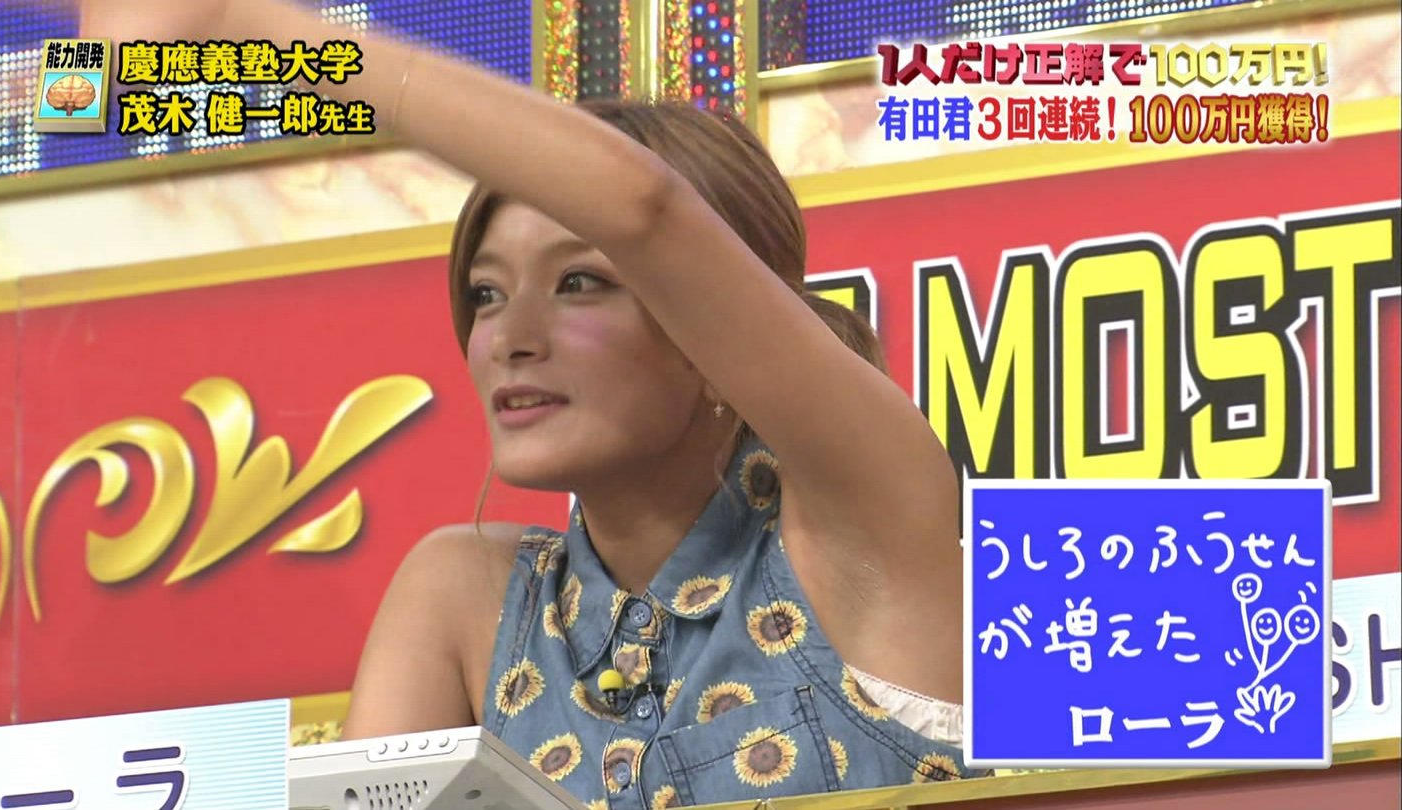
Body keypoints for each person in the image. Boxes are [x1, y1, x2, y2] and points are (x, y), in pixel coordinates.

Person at [76, 1, 985, 804]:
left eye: (580, 282)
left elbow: (646, 208)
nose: (510, 336)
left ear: (714, 331)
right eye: (486, 293)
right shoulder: (463, 594)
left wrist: (245, 32)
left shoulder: (871, 516)